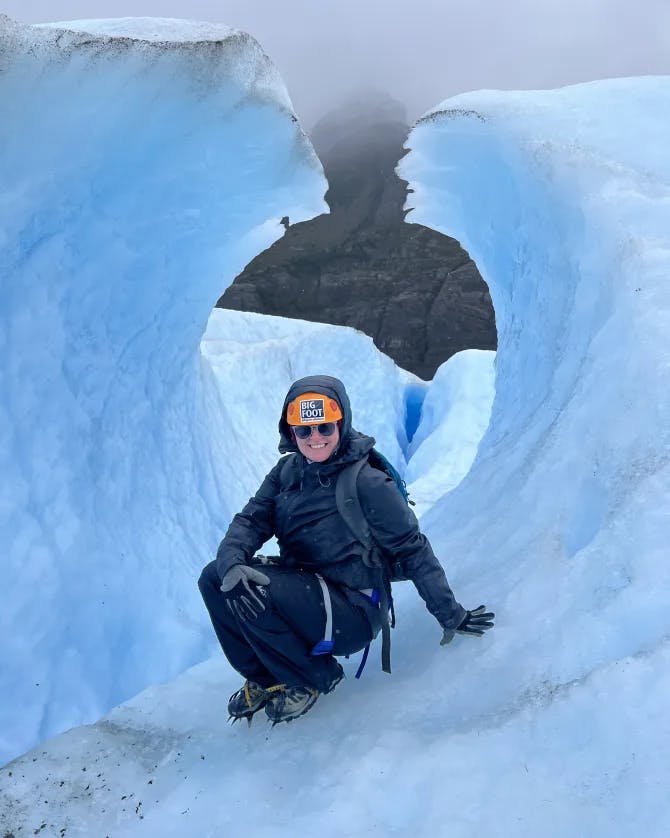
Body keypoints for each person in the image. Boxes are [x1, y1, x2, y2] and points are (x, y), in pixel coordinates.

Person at [198, 374, 494, 725]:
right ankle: (268, 678)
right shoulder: (286, 472)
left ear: (342, 423)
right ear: (290, 431)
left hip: (354, 606)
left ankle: (313, 677)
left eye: (324, 427)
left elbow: (413, 550)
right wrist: (232, 560)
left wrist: (452, 614)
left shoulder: (367, 482)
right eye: (304, 430)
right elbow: (250, 520)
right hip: (308, 588)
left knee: (256, 591)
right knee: (216, 578)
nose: (315, 438)